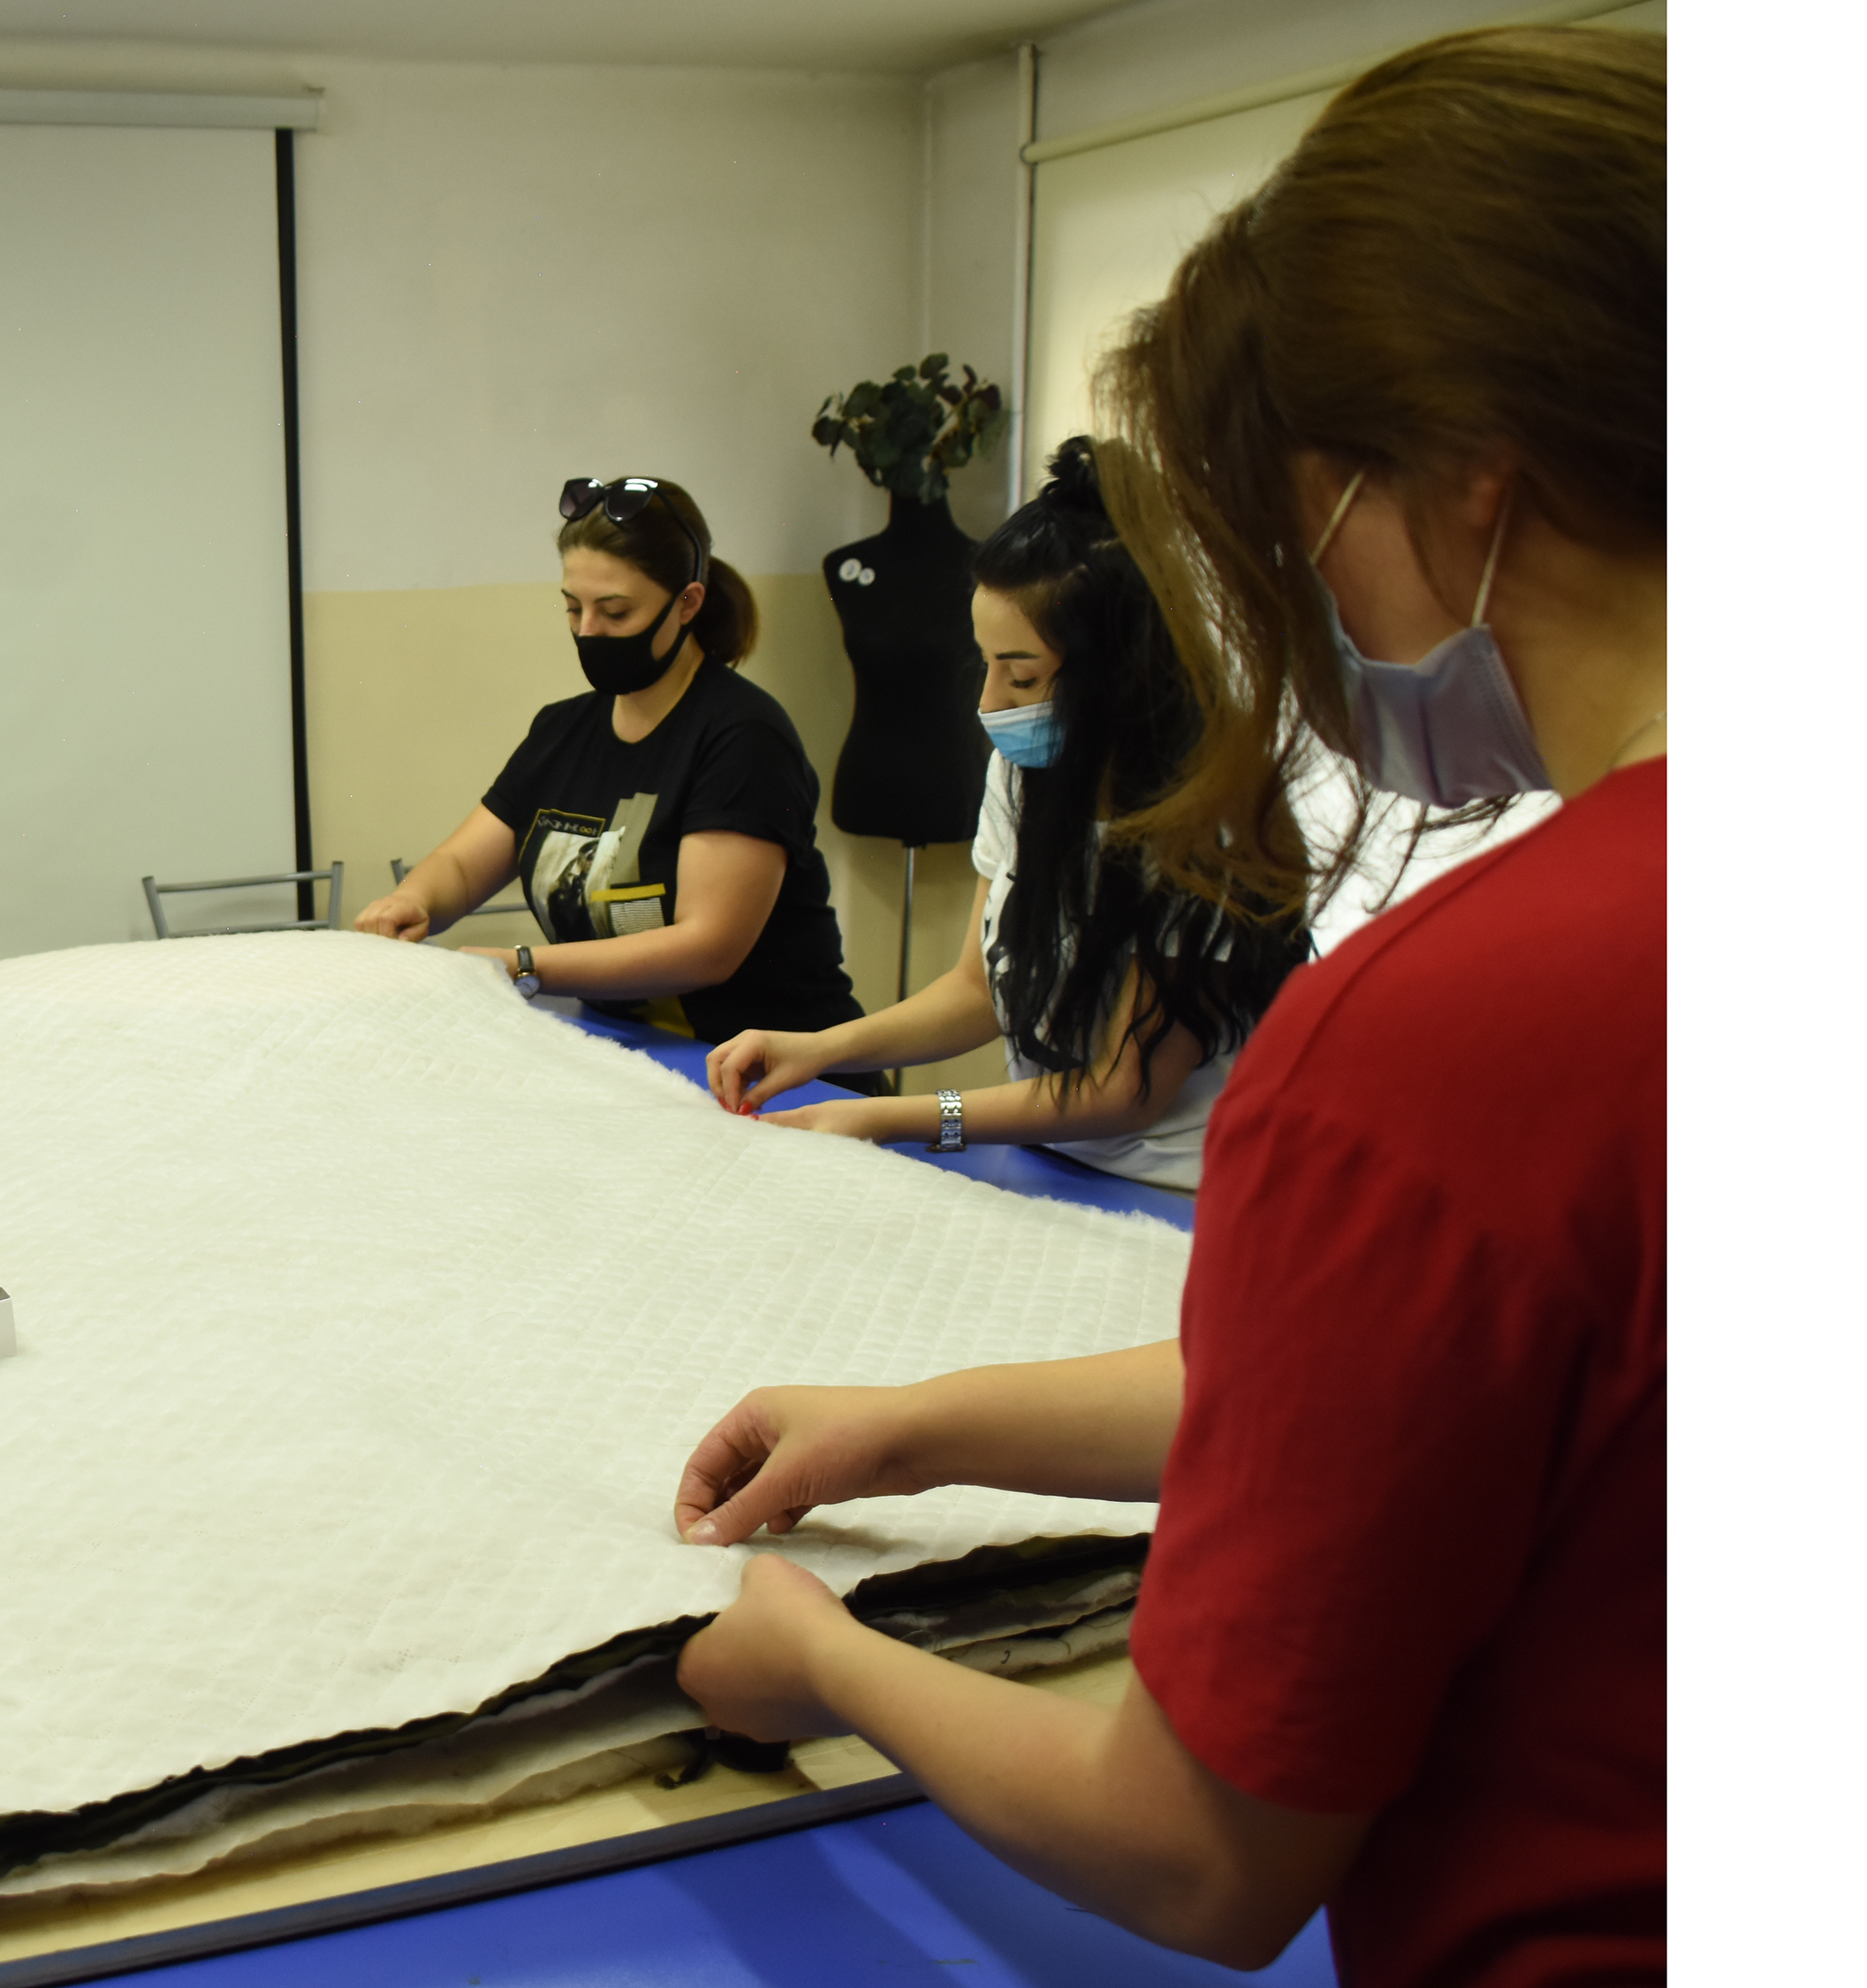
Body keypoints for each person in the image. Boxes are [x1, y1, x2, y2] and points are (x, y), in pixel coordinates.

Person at [662, 27, 1659, 1984]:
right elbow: (1401, 1395)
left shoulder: (1455, 1030)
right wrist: (913, 1432)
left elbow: (1193, 1851)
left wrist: (822, 1655)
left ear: (1466, 481)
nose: (1296, 609)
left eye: (1290, 533)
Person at [701, 437, 1309, 1189]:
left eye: (1021, 679)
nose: (989, 703)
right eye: (986, 664)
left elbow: (1123, 1091)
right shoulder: (1024, 775)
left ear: (1123, 675)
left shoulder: (1214, 822)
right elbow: (977, 989)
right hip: (1050, 1158)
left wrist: (894, 1116)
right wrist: (821, 1048)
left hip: (1181, 1189)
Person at [355, 476, 862, 1047]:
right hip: (630, 1058)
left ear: (688, 603)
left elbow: (708, 947)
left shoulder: (743, 737)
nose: (588, 631)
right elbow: (462, 865)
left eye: (615, 612)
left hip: (777, 1064)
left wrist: (523, 965)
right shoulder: (562, 731)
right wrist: (413, 899)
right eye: (574, 609)